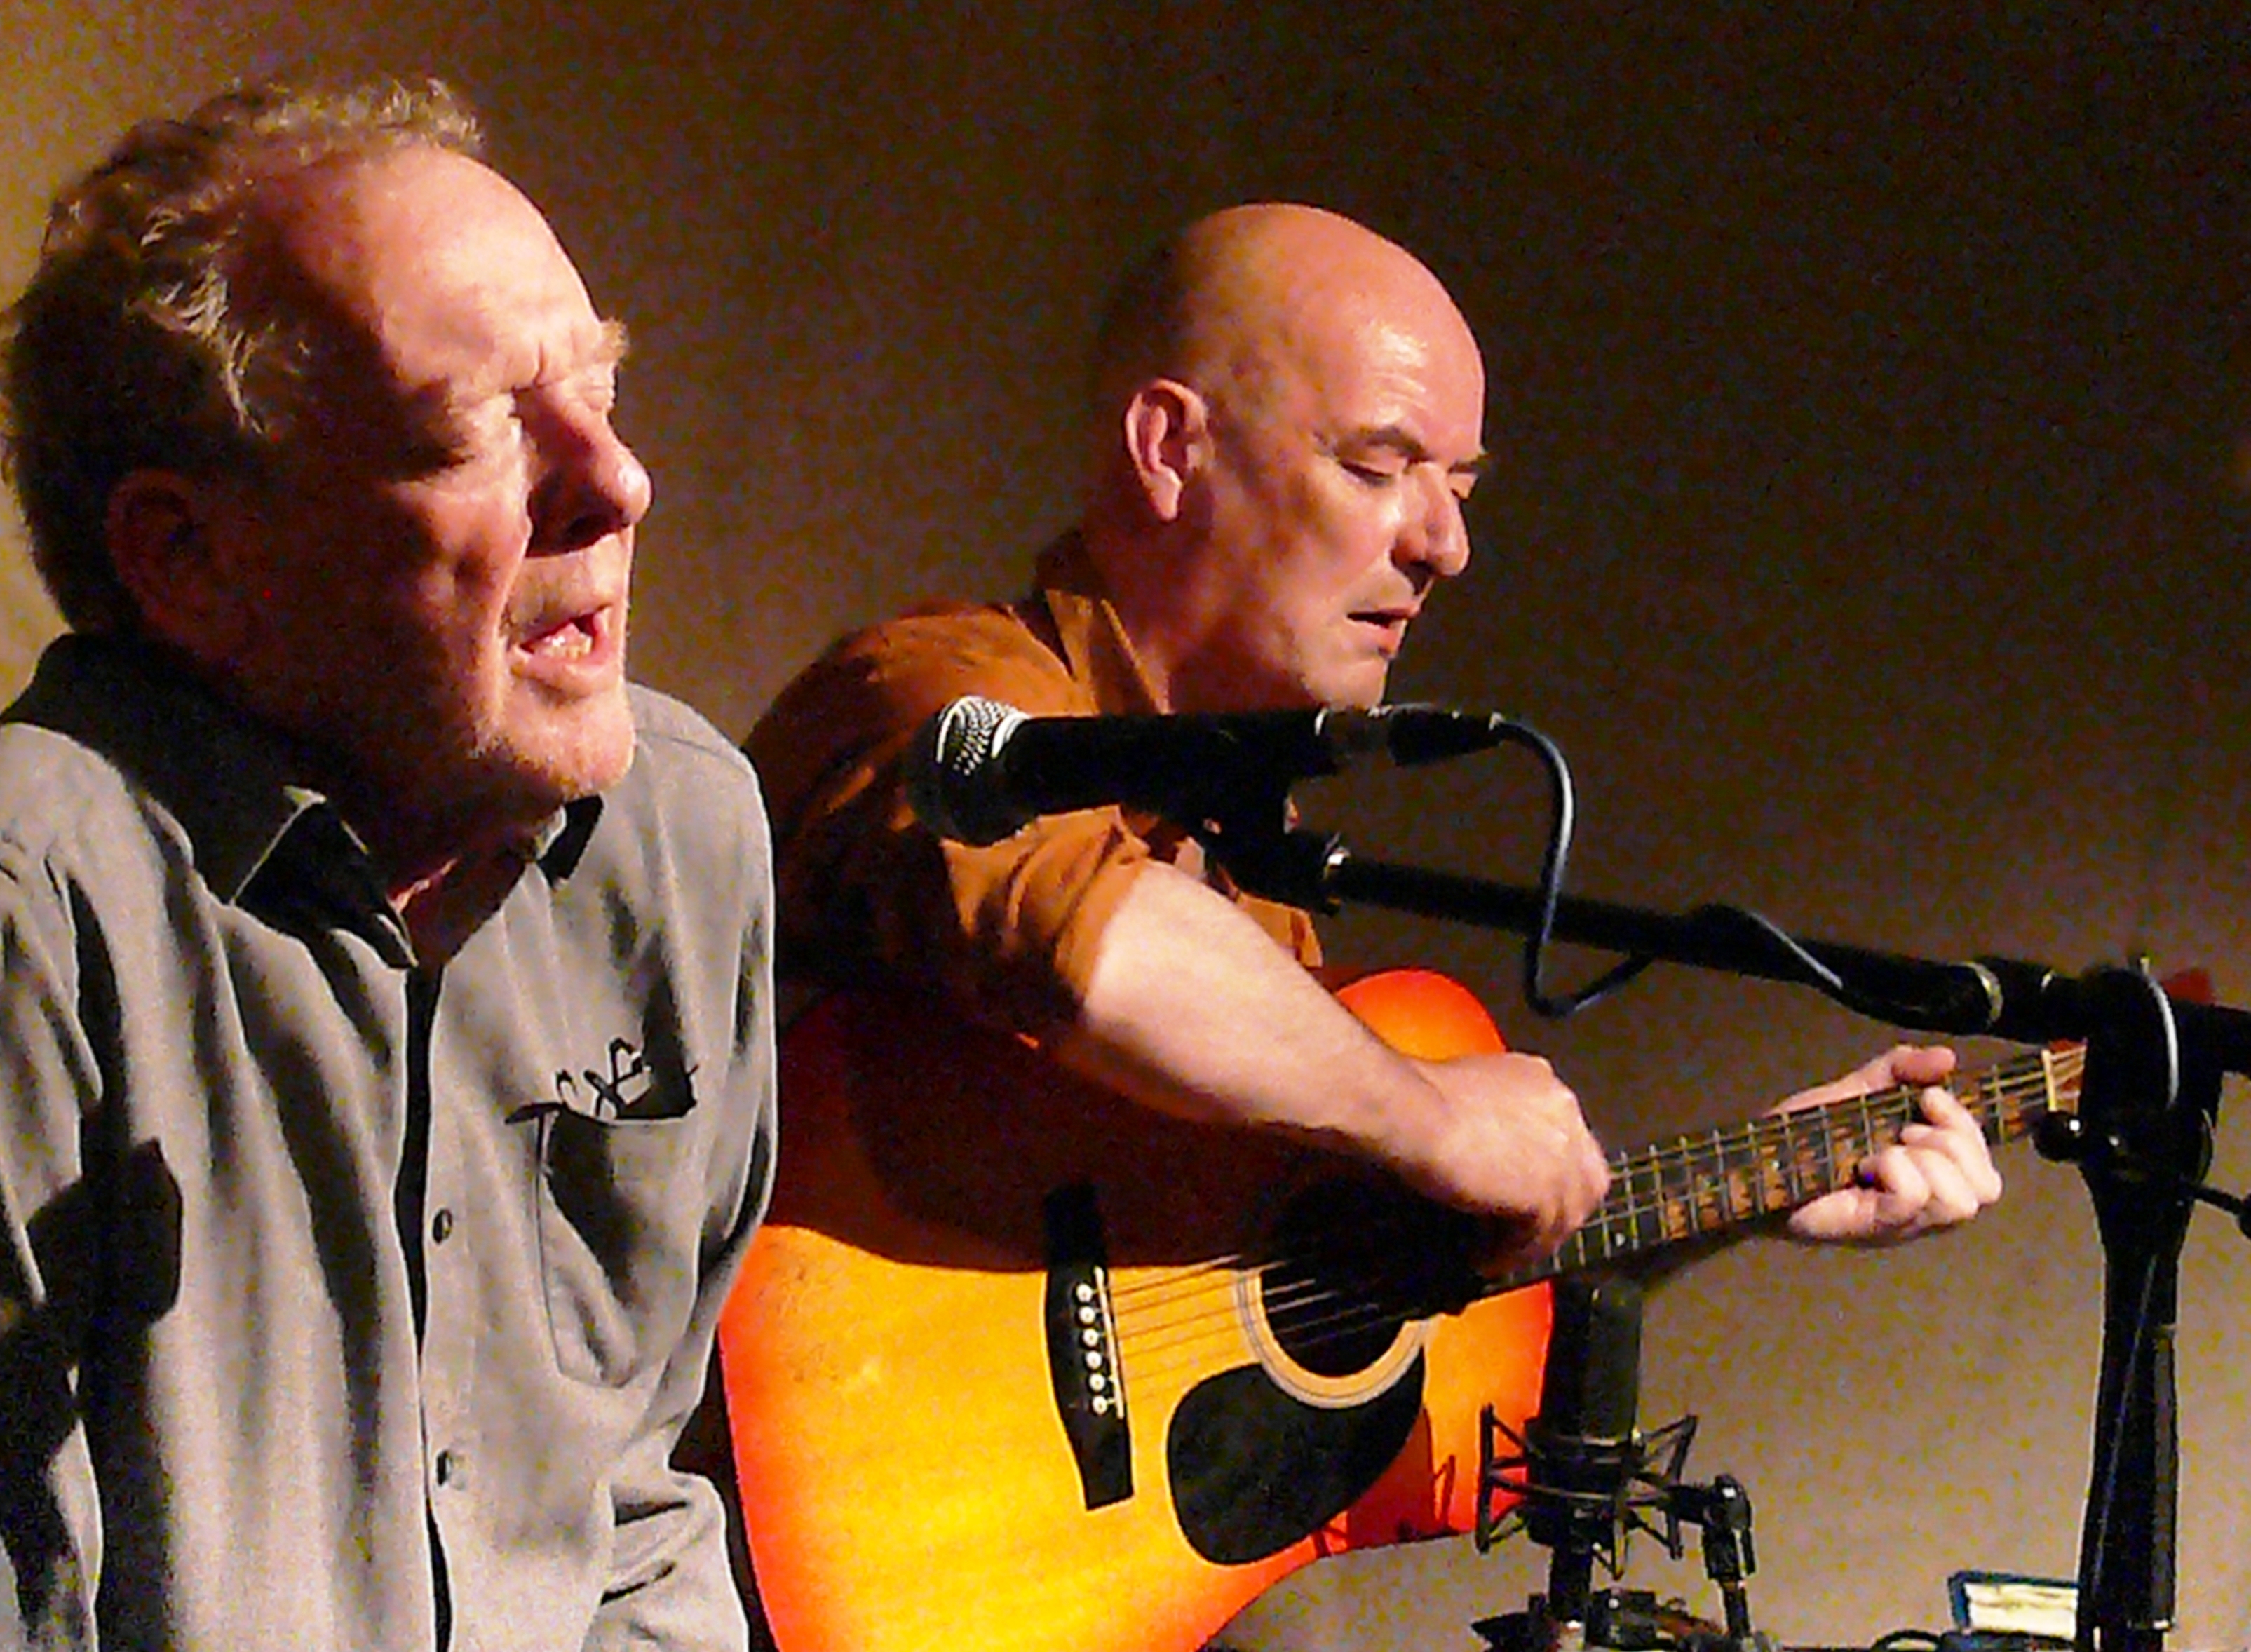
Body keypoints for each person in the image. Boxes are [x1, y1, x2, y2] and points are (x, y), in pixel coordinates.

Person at [748, 201, 2000, 1253]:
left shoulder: (1246, 865)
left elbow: (1301, 1293)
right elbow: (1075, 933)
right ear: (1169, 448)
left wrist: (1749, 1189)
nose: (1442, 545)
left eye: (1455, 487)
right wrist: (1433, 1119)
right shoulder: (933, 691)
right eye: (1375, 465)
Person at [0, 79, 774, 1651]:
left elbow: (632, 1500)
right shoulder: (34, 905)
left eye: (600, 395)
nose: (618, 485)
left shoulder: (687, 836)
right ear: (190, 559)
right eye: (470, 429)